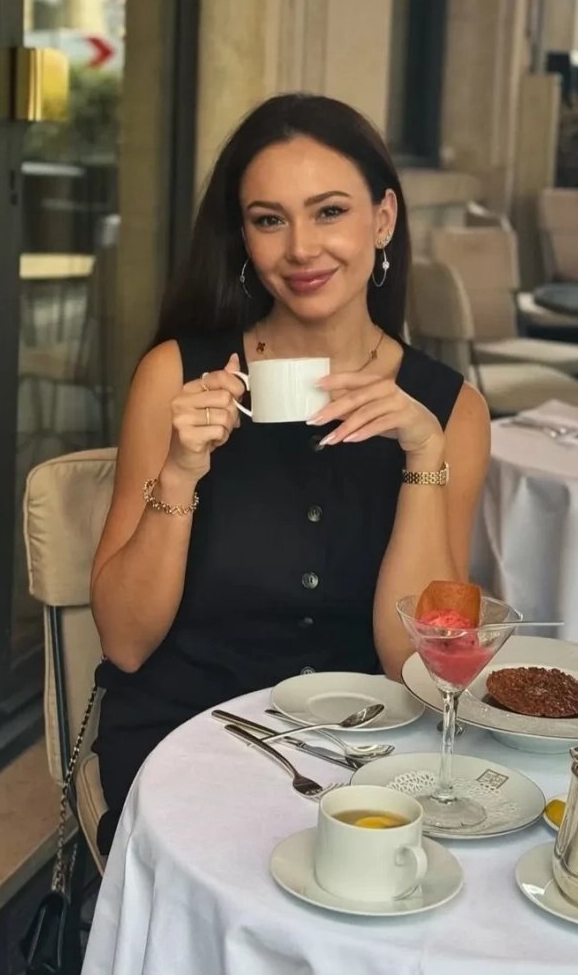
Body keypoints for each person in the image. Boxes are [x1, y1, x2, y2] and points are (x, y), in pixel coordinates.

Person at [89, 93, 490, 853]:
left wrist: (423, 459)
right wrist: (179, 473)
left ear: (383, 219)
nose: (301, 248)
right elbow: (126, 643)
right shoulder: (176, 375)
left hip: (364, 753)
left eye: (329, 211)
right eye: (269, 219)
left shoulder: (448, 411)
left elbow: (417, 667)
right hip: (190, 738)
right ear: (243, 236)